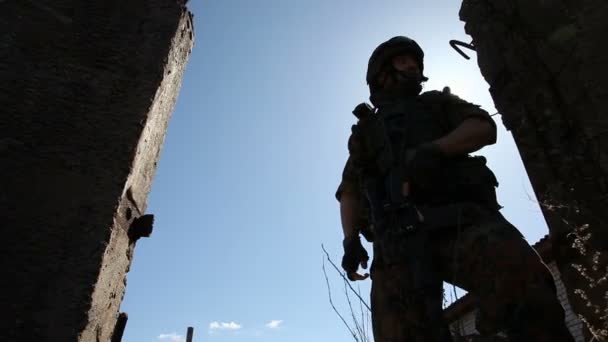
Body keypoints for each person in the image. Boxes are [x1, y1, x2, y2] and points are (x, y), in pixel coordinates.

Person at [336, 36, 575, 342]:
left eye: (416, 61)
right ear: (382, 73)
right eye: (403, 60)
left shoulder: (437, 103)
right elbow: (350, 192)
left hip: (460, 221)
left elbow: (483, 128)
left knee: (529, 296)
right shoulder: (365, 133)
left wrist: (434, 150)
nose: (413, 65)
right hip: (396, 242)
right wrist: (350, 241)